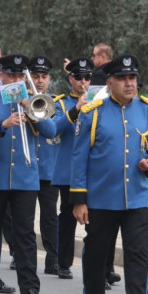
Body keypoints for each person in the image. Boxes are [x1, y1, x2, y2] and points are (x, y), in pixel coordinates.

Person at [71, 54, 148, 294]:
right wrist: (79, 200)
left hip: (136, 197)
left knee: (138, 255)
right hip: (101, 199)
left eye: (132, 78)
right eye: (122, 79)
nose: (129, 83)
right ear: (109, 83)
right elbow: (79, 158)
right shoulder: (92, 112)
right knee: (97, 253)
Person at [0, 54, 57, 294]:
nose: (17, 80)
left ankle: (29, 290)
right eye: (12, 75)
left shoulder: (34, 102)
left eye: (21, 76)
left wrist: (30, 109)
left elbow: (51, 131)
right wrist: (1, 124)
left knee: (25, 235)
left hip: (24, 178)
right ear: (3, 75)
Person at [51, 57, 92, 280]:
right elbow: (54, 128)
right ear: (70, 79)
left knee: (96, 221)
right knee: (67, 218)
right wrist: (76, 109)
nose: (83, 81)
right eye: (79, 77)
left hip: (93, 170)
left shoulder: (100, 101)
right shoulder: (61, 103)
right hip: (69, 169)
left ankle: (104, 269)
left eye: (87, 77)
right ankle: (63, 262)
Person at [27, 56, 61, 275]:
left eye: (44, 76)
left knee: (49, 216)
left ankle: (53, 258)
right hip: (28, 168)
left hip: (49, 168)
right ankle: (18, 253)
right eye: (36, 76)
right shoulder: (18, 101)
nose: (40, 81)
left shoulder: (56, 103)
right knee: (24, 216)